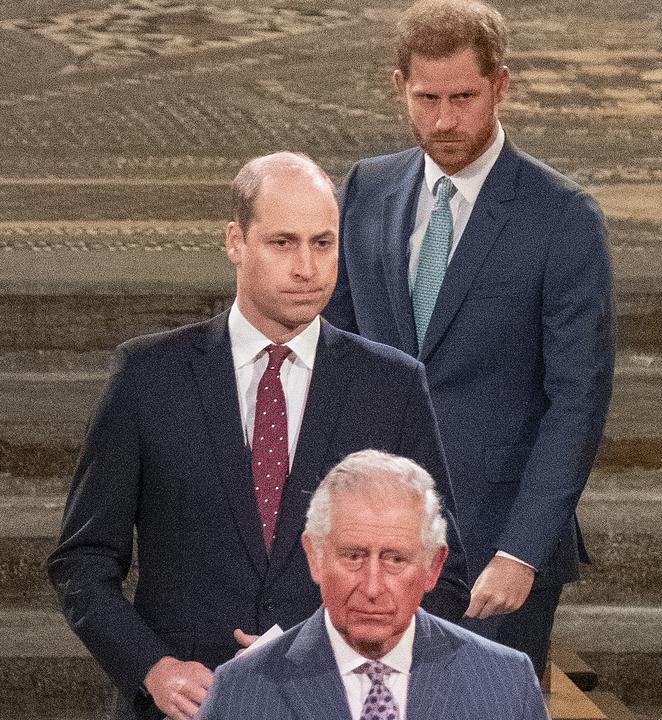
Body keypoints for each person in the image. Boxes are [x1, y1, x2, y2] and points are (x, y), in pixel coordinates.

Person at [47, 152, 469, 720]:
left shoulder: (391, 386)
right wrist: (151, 668)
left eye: (323, 244)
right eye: (282, 243)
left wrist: (341, 661)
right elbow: (83, 561)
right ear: (235, 242)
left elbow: (443, 576)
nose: (306, 268)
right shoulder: (150, 377)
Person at [324, 0, 614, 675]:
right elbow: (332, 364)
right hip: (374, 550)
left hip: (498, 557)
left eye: (464, 97)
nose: (445, 119)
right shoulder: (366, 190)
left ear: (500, 87)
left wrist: (522, 551)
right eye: (427, 99)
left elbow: (578, 400)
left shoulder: (563, 218)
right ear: (399, 87)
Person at [201, 450, 547, 720]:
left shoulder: (505, 682)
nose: (372, 587)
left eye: (395, 560)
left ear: (433, 567)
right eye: (353, 556)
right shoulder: (241, 689)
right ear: (315, 557)